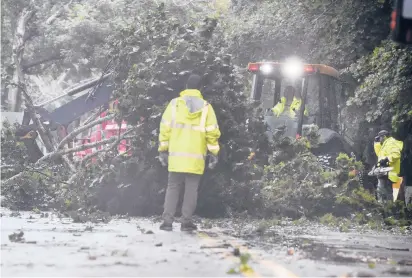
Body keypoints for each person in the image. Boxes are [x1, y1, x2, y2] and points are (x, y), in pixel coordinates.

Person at [157, 74, 221, 232]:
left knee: (173, 187)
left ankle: (167, 221)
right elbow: (212, 133)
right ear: (200, 89)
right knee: (191, 189)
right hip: (195, 157)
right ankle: (186, 222)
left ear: (186, 87)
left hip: (176, 156)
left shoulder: (174, 105)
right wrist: (214, 153)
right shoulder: (206, 108)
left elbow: (165, 128)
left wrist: (163, 150)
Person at [373, 130, 404, 203]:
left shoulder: (390, 143)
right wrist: (376, 143)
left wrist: (387, 159)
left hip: (389, 173)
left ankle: (388, 209)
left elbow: (396, 154)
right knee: (382, 191)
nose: (379, 139)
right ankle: (384, 208)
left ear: (384, 136)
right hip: (384, 172)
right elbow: (379, 154)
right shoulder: (385, 144)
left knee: (386, 193)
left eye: (380, 137)